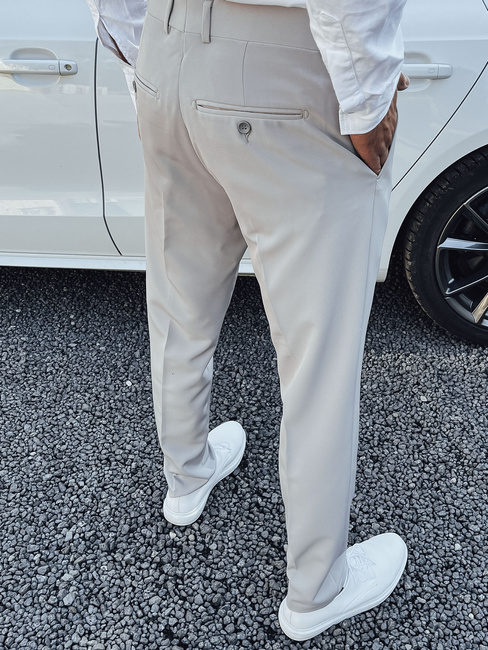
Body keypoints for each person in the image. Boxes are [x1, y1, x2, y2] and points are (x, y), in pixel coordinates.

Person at [87, 0, 409, 640]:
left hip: (166, 45)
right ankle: (316, 590)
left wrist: (145, 52)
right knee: (318, 354)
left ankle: (187, 477)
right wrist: (368, 101)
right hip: (286, 68)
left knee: (179, 300)